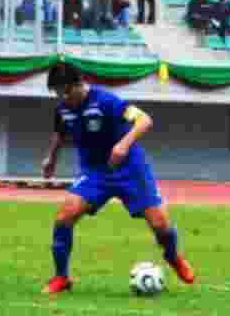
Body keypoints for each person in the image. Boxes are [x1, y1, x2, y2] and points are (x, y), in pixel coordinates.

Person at [40, 63, 195, 294]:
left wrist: (123, 144)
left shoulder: (106, 101)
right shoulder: (63, 109)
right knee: (64, 216)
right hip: (96, 173)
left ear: (77, 85)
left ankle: (173, 257)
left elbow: (145, 120)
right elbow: (60, 133)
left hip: (130, 169)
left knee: (159, 223)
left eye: (63, 92)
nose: (61, 97)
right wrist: (51, 158)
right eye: (57, 93)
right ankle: (62, 277)